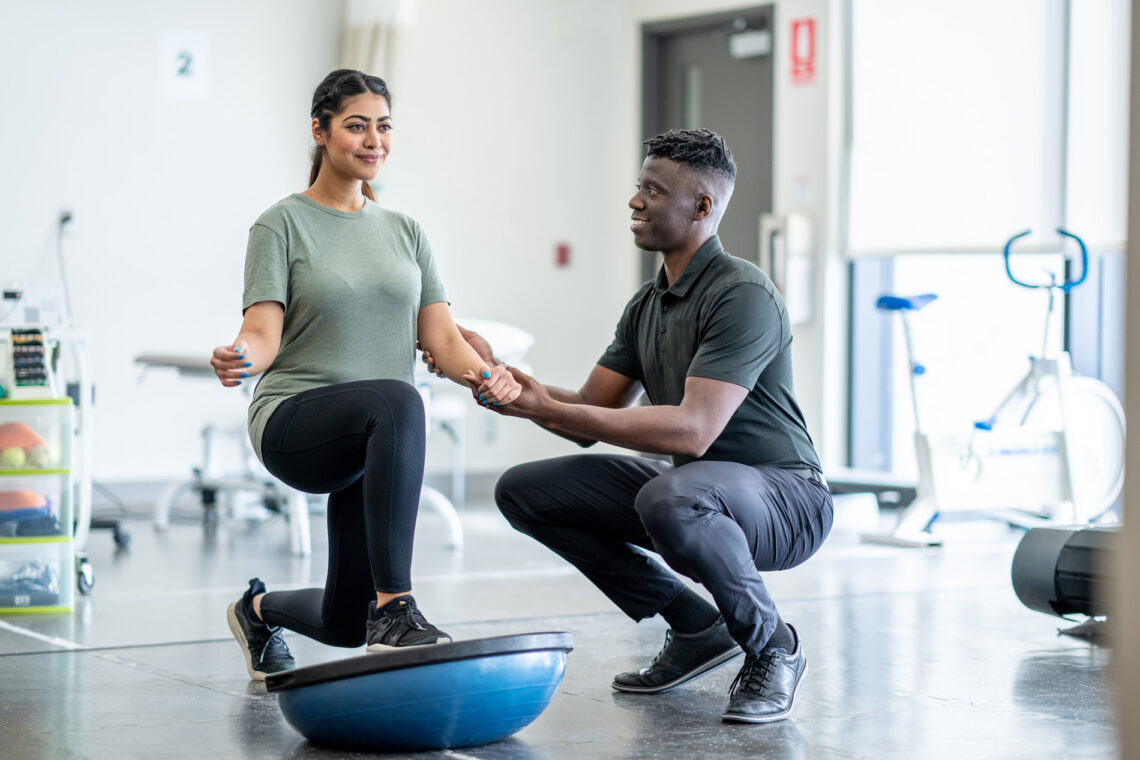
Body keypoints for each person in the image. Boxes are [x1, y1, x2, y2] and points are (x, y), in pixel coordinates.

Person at [427, 128, 832, 723]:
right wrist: (501, 379)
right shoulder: (647, 304)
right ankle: (697, 627)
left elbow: (695, 431)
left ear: (702, 207)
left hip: (786, 499)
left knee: (672, 495)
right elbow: (592, 409)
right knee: (525, 492)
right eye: (638, 186)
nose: (635, 201)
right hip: (696, 491)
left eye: (652, 189)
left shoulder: (743, 293)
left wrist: (547, 407)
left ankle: (773, 646)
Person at [210, 69, 520, 681]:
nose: (373, 139)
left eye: (383, 126)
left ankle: (257, 609)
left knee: (342, 624)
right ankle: (397, 608)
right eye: (356, 126)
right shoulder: (282, 224)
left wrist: (490, 377)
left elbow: (443, 340)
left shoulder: (406, 232)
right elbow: (262, 333)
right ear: (320, 132)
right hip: (295, 420)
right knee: (402, 400)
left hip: (372, 435)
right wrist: (239, 354)